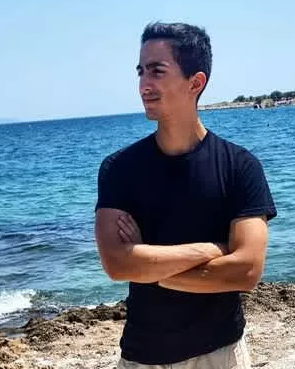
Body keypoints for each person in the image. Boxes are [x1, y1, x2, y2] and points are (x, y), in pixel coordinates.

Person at [94, 22, 277, 369]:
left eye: (157, 71)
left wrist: (150, 269)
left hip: (219, 354)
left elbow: (247, 270)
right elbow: (117, 264)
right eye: (141, 71)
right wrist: (211, 251)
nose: (144, 84)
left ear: (195, 82)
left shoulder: (240, 166)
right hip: (141, 357)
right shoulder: (119, 169)